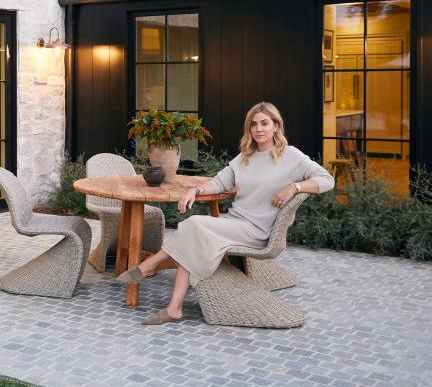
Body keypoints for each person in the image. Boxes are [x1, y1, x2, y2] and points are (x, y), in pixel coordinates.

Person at [115, 102, 334, 325]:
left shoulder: (291, 156)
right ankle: (174, 308)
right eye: (253, 125)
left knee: (194, 226)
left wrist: (294, 187)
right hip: (234, 223)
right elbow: (219, 183)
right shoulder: (245, 157)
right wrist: (195, 190)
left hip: (257, 232)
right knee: (193, 237)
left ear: (276, 126)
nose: (259, 129)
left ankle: (150, 265)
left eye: (265, 123)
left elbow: (327, 180)